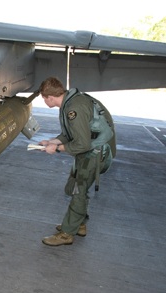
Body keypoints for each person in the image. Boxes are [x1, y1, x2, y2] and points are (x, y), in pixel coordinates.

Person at [37, 77, 116, 246]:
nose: (44, 101)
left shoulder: (74, 108)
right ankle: (78, 224)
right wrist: (52, 141)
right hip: (90, 151)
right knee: (75, 186)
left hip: (95, 153)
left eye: (44, 98)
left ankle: (67, 234)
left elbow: (82, 143)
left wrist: (57, 149)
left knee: (78, 190)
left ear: (50, 97)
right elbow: (70, 134)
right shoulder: (70, 102)